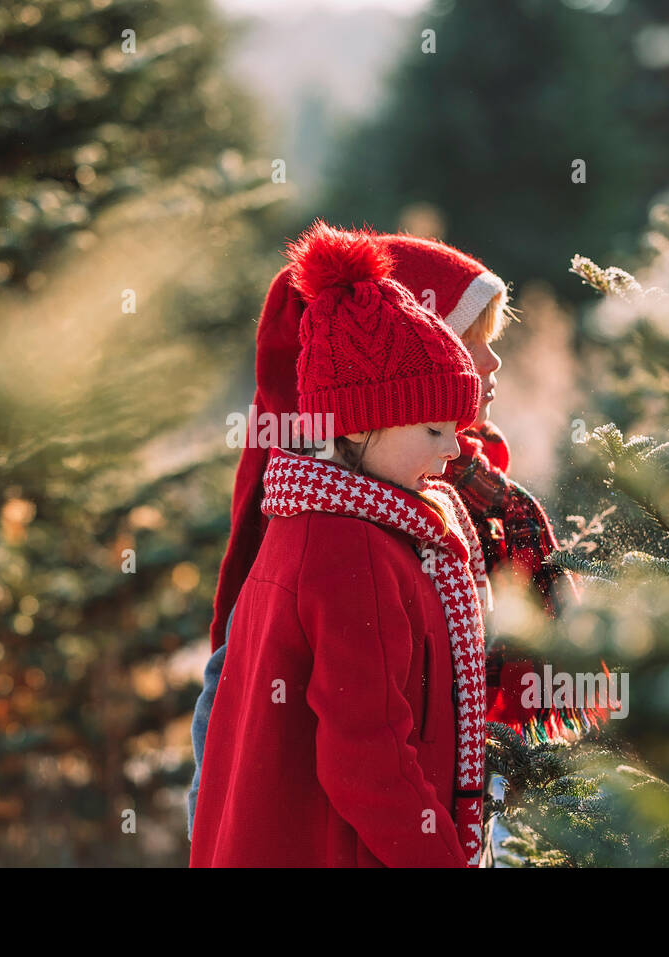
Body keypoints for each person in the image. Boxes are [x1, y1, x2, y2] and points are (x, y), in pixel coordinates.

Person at [188, 220, 490, 866]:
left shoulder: (322, 518)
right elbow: (368, 756)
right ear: (362, 425)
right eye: (434, 427)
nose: (455, 447)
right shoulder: (352, 548)